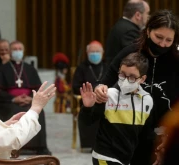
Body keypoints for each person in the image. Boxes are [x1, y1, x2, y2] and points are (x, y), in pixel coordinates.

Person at [94, 10, 179, 165]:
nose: (162, 44)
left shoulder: (175, 59)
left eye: (168, 40)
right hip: (133, 129)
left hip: (166, 130)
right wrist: (99, 89)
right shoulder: (131, 52)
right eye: (158, 37)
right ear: (148, 31)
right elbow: (105, 80)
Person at [80, 52, 153, 165]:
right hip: (104, 155)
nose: (125, 80)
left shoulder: (147, 100)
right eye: (122, 74)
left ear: (142, 79)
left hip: (127, 158)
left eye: (132, 77)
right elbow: (87, 122)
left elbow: (145, 134)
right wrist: (87, 107)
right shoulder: (107, 95)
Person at [0, 40, 52, 155]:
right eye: (15, 49)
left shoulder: (30, 68)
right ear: (10, 52)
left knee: (39, 112)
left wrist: (31, 98)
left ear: (24, 51)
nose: (17, 51)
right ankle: (14, 146)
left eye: (20, 49)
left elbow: (39, 87)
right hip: (9, 101)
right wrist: (13, 99)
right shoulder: (2, 69)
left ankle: (39, 147)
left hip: (29, 100)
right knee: (14, 110)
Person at [72, 40, 106, 149]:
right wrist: (89, 93)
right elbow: (75, 86)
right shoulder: (82, 67)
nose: (95, 54)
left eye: (97, 51)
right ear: (87, 53)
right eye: (92, 52)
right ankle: (88, 145)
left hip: (105, 99)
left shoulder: (108, 66)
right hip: (87, 101)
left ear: (102, 53)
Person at [105, 0, 150, 66]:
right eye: (147, 13)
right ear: (138, 15)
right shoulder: (130, 32)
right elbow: (135, 60)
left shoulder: (121, 25)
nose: (148, 16)